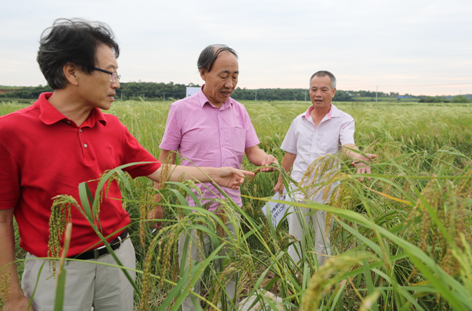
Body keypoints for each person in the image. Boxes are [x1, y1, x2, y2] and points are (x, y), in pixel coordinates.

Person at [0, 19, 253, 311]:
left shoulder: (113, 127)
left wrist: (215, 174)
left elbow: (159, 170)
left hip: (118, 258)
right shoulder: (12, 132)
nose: (117, 83)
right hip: (58, 270)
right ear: (72, 72)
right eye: (109, 72)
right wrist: (11, 294)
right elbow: (3, 219)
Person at [152, 44, 277, 311]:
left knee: (229, 273)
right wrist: (156, 203)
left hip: (231, 208)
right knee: (191, 276)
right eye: (223, 75)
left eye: (235, 75)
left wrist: (266, 158)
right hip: (192, 210)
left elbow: (252, 150)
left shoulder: (240, 111)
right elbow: (165, 161)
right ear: (203, 73)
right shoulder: (181, 109)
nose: (230, 83)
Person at [273, 70, 376, 266]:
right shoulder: (299, 121)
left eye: (323, 89)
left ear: (333, 92)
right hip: (297, 188)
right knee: (294, 239)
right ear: (309, 91)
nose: (318, 94)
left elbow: (348, 146)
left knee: (323, 241)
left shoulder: (344, 120)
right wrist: (280, 179)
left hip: (327, 190)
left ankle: (322, 284)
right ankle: (293, 284)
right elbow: (290, 153)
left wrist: (359, 157)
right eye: (314, 89)